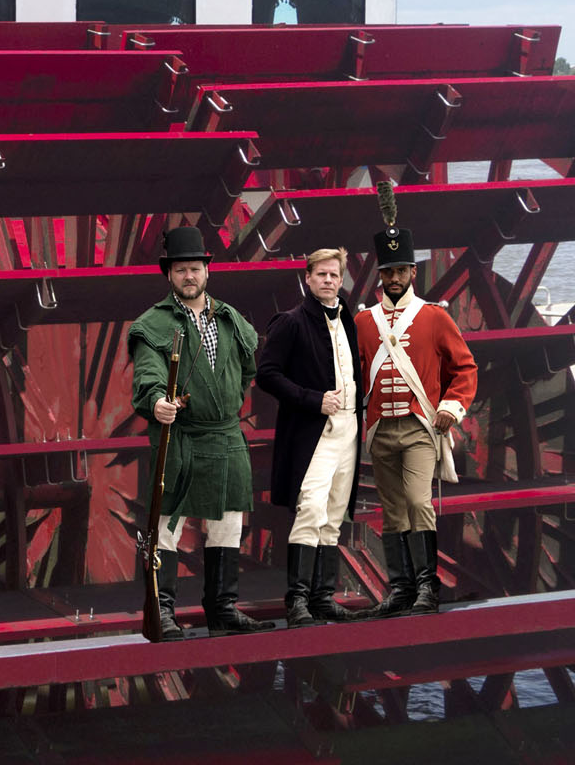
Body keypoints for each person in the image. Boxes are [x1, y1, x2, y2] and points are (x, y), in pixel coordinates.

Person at [129, 225, 274, 639]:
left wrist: (224, 402)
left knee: (228, 522)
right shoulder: (152, 324)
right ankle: (165, 611)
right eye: (180, 271)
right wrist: (157, 400)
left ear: (206, 271)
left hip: (225, 436)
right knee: (167, 527)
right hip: (181, 438)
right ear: (169, 275)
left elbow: (247, 368)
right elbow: (148, 374)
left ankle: (222, 608)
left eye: (195, 269)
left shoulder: (229, 319)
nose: (189, 277)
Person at [355, 220, 476, 617]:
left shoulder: (434, 317)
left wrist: (450, 408)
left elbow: (465, 368)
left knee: (418, 502)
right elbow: (353, 372)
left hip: (420, 428)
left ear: (412, 273)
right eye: (387, 271)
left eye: (400, 271)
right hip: (380, 430)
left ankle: (428, 588)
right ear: (381, 274)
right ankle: (401, 589)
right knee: (392, 510)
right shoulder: (363, 322)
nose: (393, 278)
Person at [256, 247, 362, 627]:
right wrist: (312, 399)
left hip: (349, 429)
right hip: (315, 431)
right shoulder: (291, 322)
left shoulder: (348, 319)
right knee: (311, 510)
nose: (329, 281)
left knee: (334, 515)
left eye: (335, 275)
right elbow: (267, 374)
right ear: (308, 278)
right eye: (322, 275)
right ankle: (297, 601)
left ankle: (322, 598)